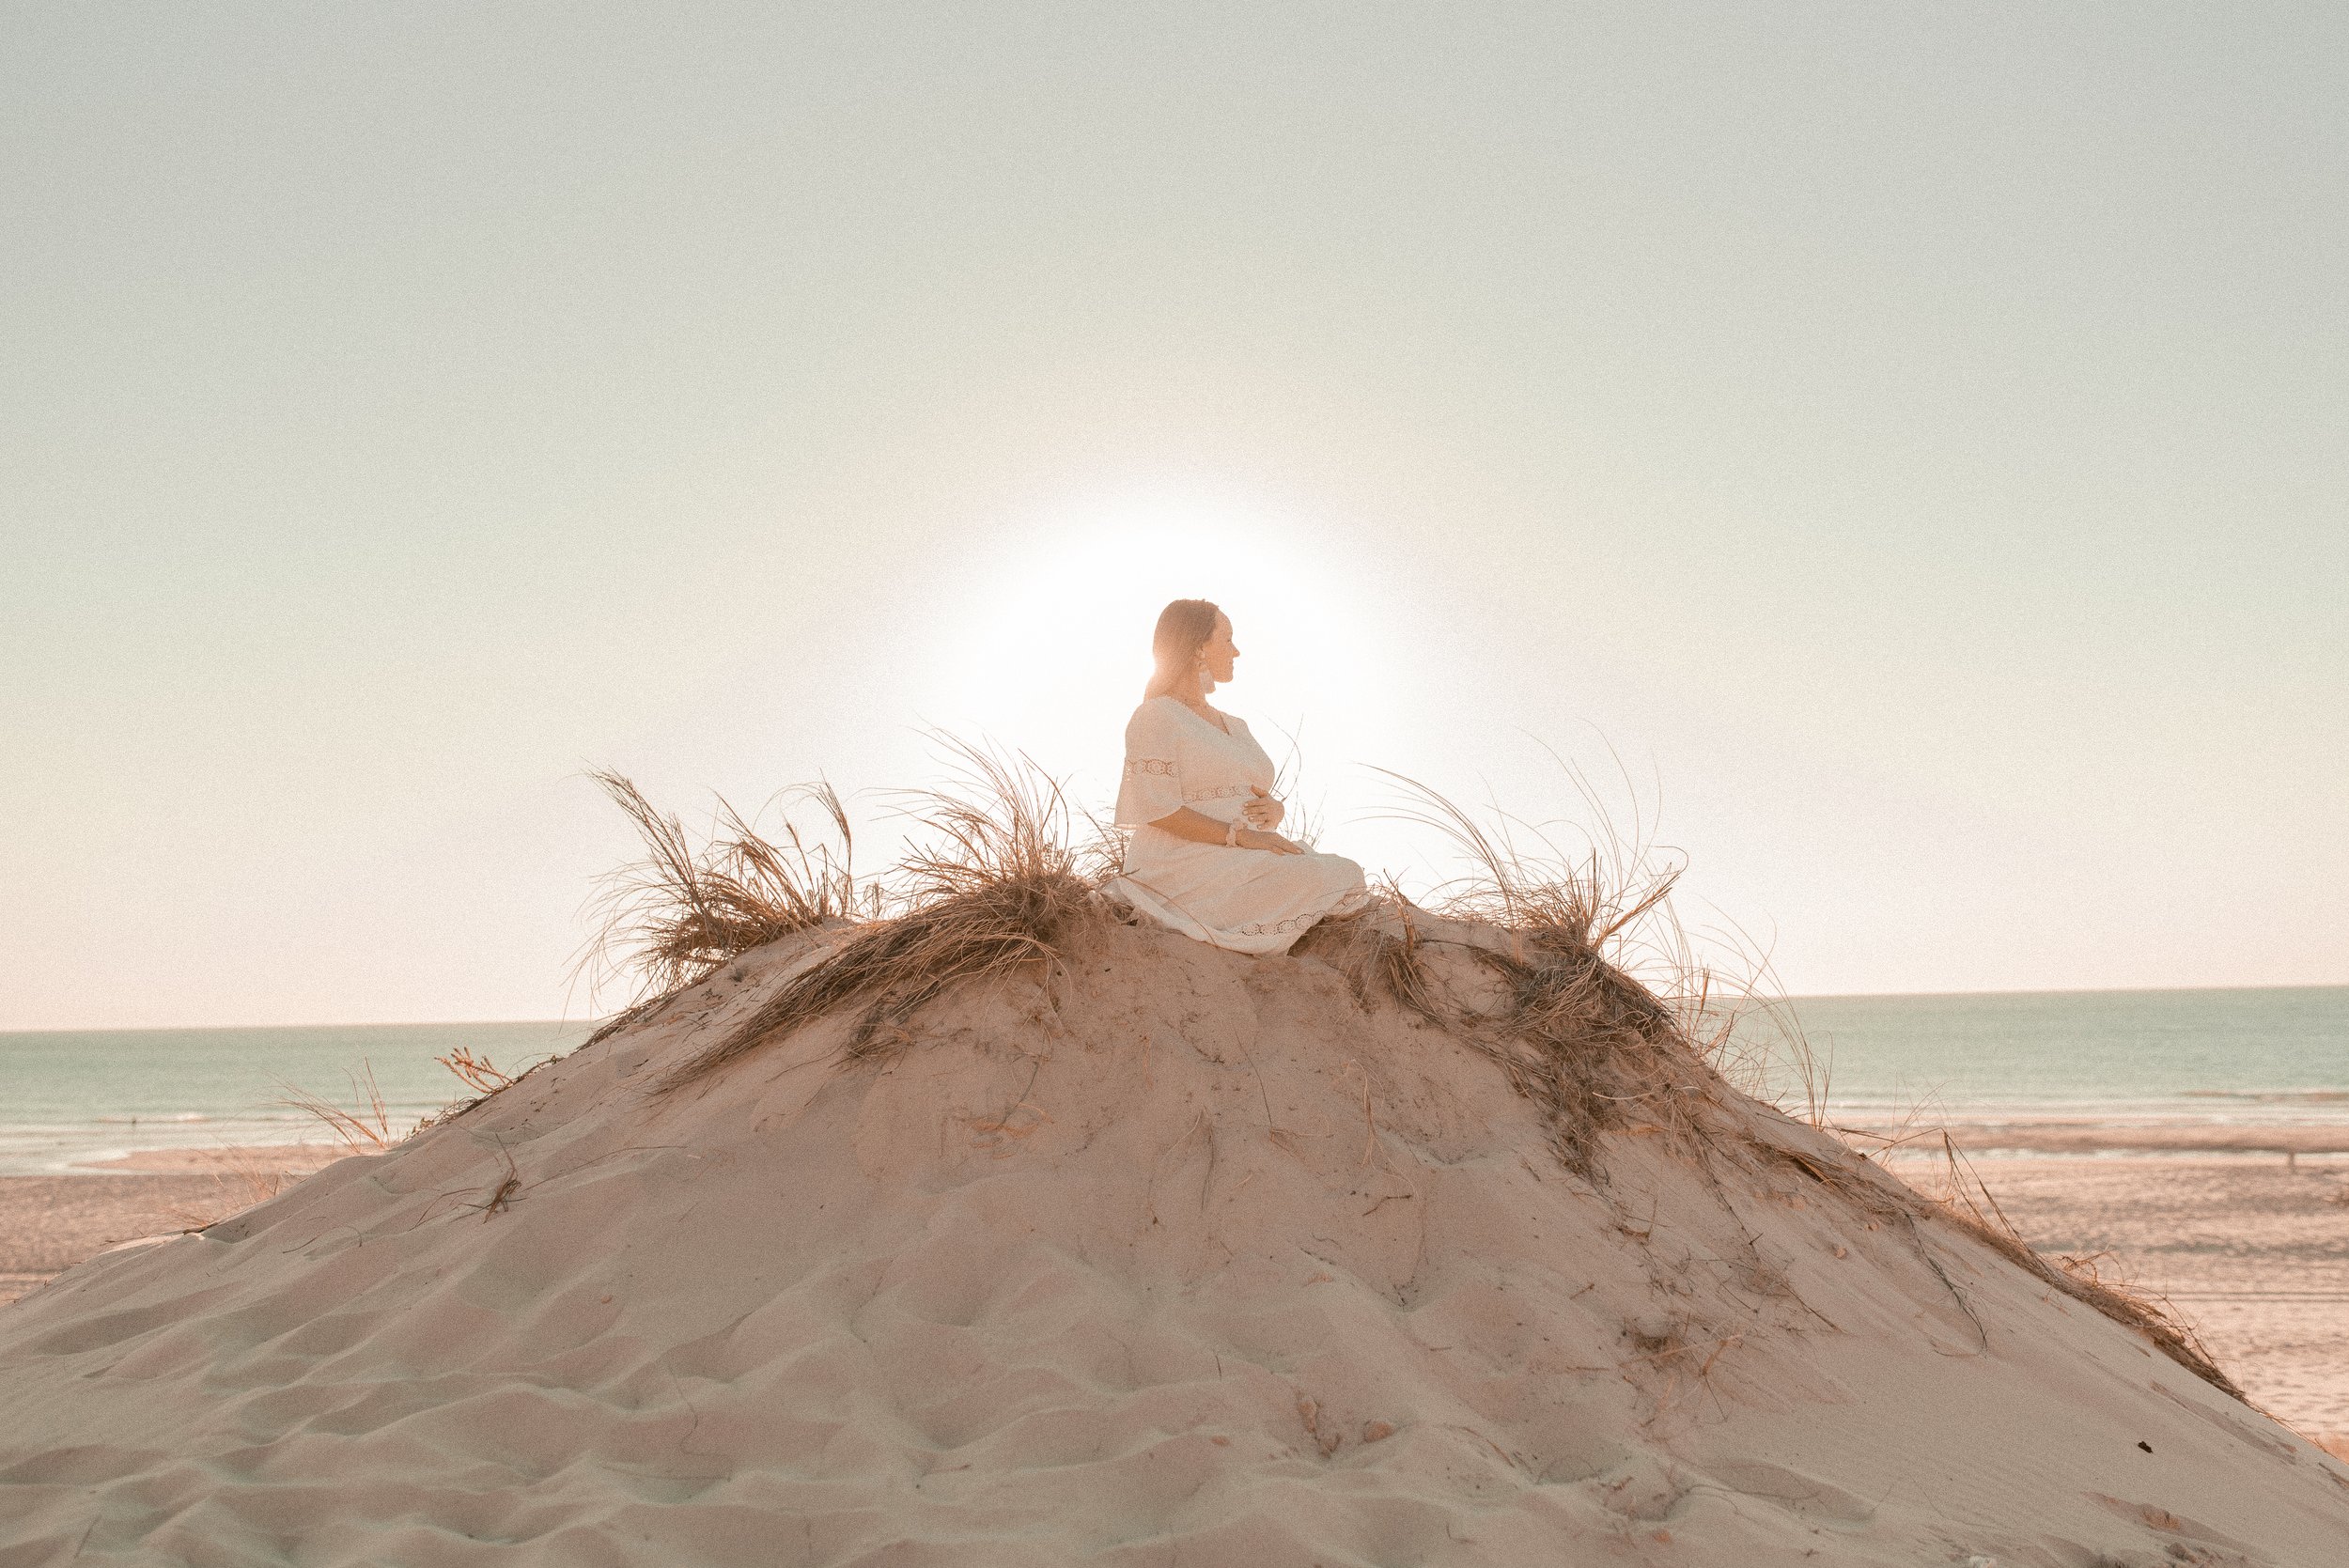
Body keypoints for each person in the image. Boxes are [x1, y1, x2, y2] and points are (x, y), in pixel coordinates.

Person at [1106, 598, 1369, 955]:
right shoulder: (1156, 715)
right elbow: (1158, 809)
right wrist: (1241, 836)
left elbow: (1250, 788)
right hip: (1182, 863)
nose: (1237, 651)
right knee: (1321, 878)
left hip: (1244, 854)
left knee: (1347, 873)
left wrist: (1274, 810)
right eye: (1227, 639)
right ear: (1198, 647)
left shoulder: (1236, 726)